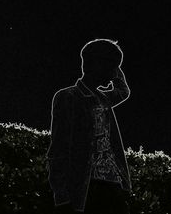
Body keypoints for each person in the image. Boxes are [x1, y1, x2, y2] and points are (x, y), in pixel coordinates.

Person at [46, 38, 132, 213]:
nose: (115, 73)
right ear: (97, 65)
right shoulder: (68, 97)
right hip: (87, 186)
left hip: (113, 183)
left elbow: (123, 91)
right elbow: (59, 146)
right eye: (112, 67)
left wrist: (117, 69)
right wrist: (60, 191)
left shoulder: (103, 98)